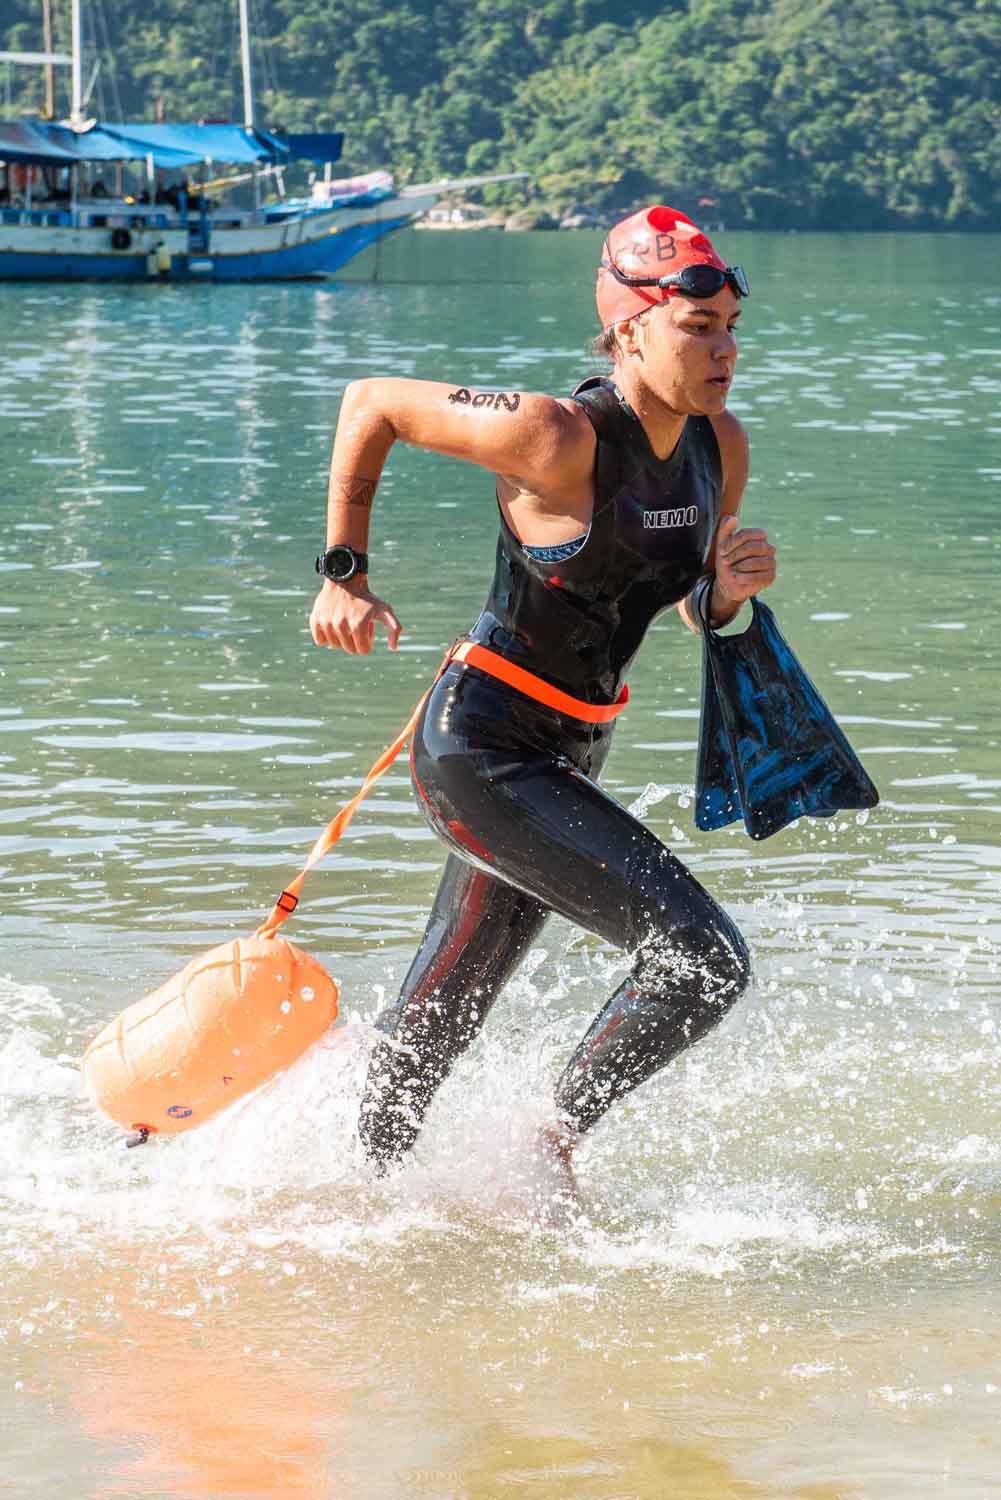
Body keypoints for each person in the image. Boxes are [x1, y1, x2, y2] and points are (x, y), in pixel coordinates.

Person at [308, 205, 776, 1207]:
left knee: (438, 1018)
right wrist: (344, 575)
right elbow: (372, 402)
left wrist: (724, 594)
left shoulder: (718, 447)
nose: (724, 350)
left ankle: (345, 1205)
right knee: (700, 959)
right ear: (627, 331)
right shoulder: (552, 434)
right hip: (480, 748)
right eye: (698, 328)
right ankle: (546, 1141)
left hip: (568, 755)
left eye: (731, 328)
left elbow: (683, 601)